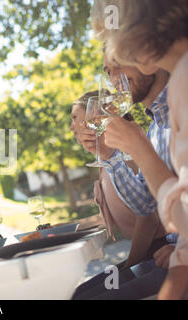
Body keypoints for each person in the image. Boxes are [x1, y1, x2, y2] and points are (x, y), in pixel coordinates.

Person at [93, 0, 188, 299]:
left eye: (117, 50)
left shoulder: (181, 84)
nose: (114, 80)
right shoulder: (158, 122)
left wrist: (136, 148)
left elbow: (173, 214)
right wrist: (114, 156)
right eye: (109, 72)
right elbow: (150, 203)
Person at [70, 92, 171, 299]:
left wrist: (129, 264)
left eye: (74, 118)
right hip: (147, 252)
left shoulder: (128, 153)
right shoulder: (108, 159)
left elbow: (148, 218)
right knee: (79, 293)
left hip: (156, 249)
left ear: (95, 115)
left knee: (84, 295)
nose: (71, 127)